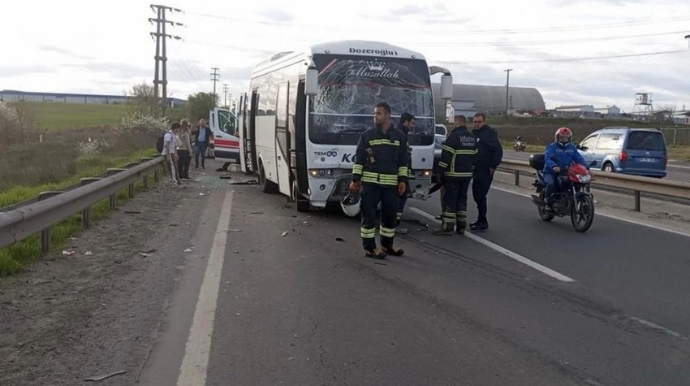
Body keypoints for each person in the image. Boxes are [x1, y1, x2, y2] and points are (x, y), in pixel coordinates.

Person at [349, 102, 409, 260]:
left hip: (391, 185)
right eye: (374, 113)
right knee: (369, 216)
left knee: (390, 216)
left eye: (379, 113)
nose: (375, 116)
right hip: (371, 185)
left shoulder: (399, 136)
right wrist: (356, 180)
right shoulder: (367, 135)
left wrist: (403, 180)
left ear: (388, 115)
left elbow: (404, 161)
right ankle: (370, 248)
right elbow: (359, 159)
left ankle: (387, 245)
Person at [433, 114, 476, 235]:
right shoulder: (472, 136)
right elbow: (476, 156)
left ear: (457, 122)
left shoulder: (454, 136)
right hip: (467, 175)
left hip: (453, 174)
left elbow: (446, 156)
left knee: (450, 200)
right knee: (462, 200)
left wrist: (439, 172)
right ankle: (461, 226)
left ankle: (448, 226)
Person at [470, 113, 502, 232]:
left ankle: (483, 221)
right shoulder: (474, 134)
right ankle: (480, 219)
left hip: (485, 169)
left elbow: (498, 150)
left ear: (484, 122)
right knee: (476, 195)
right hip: (476, 169)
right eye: (475, 122)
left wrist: (493, 165)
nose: (477, 124)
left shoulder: (488, 134)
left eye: (479, 122)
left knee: (480, 195)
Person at [542, 127, 588, 210]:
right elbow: (548, 158)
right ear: (557, 137)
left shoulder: (572, 147)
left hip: (566, 171)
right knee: (551, 184)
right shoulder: (551, 147)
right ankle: (548, 203)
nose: (564, 139)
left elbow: (579, 158)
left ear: (569, 138)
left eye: (566, 137)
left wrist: (586, 167)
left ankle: (569, 200)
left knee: (572, 183)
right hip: (550, 172)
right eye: (562, 137)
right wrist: (554, 166)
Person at [395, 112, 415, 234]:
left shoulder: (401, 133)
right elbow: (402, 156)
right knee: (399, 198)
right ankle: (394, 225)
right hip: (399, 174)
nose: (413, 125)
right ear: (405, 122)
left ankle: (393, 223)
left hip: (400, 172)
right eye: (412, 122)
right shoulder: (401, 135)